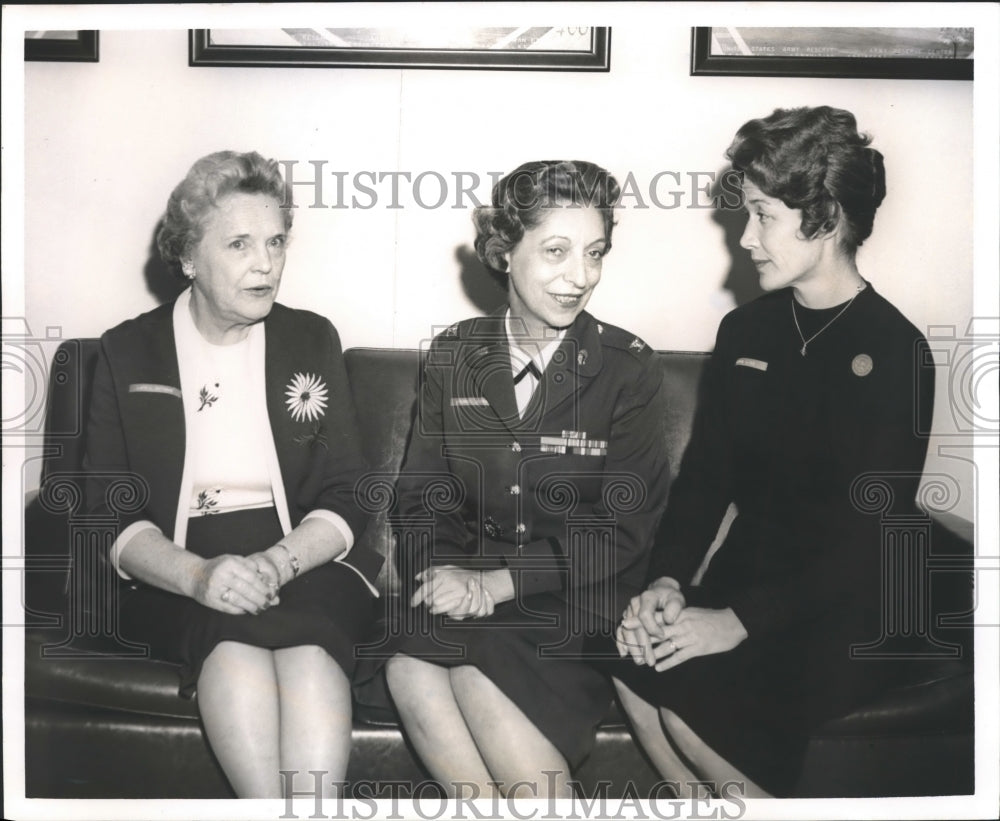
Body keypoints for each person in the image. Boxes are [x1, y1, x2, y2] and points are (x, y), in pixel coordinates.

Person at [613, 106, 936, 797]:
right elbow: (704, 479)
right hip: (750, 583)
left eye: (763, 215)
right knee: (626, 654)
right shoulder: (746, 330)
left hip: (857, 607)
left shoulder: (896, 350)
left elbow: (870, 539)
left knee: (690, 699)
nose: (747, 238)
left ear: (823, 217)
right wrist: (667, 580)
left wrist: (735, 623)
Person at [83, 151, 382, 798]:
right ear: (188, 256)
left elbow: (349, 494)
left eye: (276, 241)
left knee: (310, 654)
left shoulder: (310, 339)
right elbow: (108, 511)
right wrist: (198, 576)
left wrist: (277, 562)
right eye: (240, 243)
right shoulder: (126, 350)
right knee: (236, 652)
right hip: (175, 565)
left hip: (302, 558)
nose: (266, 262)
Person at [381, 160, 670, 797]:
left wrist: (500, 583)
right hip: (472, 587)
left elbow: (625, 530)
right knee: (408, 670)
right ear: (505, 252)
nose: (581, 277)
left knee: (479, 679)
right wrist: (444, 576)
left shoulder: (629, 369)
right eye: (557, 251)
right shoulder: (456, 354)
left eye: (595, 253)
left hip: (578, 600)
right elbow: (423, 497)